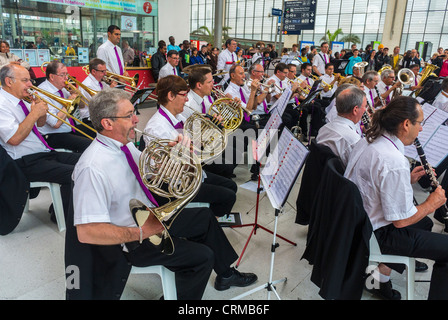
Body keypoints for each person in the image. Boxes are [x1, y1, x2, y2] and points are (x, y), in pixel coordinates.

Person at [72, 87, 257, 300]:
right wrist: (141, 233)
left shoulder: (124, 146)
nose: (136, 119)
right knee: (203, 257)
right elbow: (86, 232)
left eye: (135, 112)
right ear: (107, 123)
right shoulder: (92, 167)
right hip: (131, 240)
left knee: (204, 218)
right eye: (129, 115)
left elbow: (152, 170)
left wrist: (174, 156)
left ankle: (225, 274)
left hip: (150, 217)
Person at [344, 96, 448, 300]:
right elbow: (401, 221)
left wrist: (405, 180)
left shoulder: (369, 140)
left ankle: (378, 280)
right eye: (420, 124)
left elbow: (375, 181)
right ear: (406, 124)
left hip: (359, 221)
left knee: (424, 224)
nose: (421, 129)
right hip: (377, 233)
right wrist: (431, 203)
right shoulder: (393, 160)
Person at [144, 75, 240, 218]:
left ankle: (210, 218)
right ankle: (207, 221)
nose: (187, 99)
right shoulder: (156, 128)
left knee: (231, 186)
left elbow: (198, 141)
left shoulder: (179, 117)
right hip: (176, 183)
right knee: (228, 196)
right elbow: (158, 172)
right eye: (183, 95)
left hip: (191, 172)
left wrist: (214, 126)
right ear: (171, 96)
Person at [0, 64, 80, 221]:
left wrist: (41, 110)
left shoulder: (19, 98)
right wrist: (34, 113)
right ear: (9, 82)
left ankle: (64, 208)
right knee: (74, 173)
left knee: (86, 163)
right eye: (25, 80)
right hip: (23, 161)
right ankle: (61, 215)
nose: (30, 85)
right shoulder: (2, 104)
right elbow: (14, 139)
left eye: (29, 80)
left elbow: (40, 124)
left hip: (43, 152)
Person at [37, 61, 91, 152]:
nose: (66, 78)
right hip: (53, 135)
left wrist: (79, 95)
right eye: (62, 75)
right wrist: (69, 102)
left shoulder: (61, 88)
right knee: (89, 144)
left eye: (67, 74)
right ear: (52, 77)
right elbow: (55, 124)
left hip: (69, 128)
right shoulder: (42, 93)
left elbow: (81, 106)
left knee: (99, 131)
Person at [316, 86, 365, 167]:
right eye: (365, 106)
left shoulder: (324, 128)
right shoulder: (353, 141)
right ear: (355, 110)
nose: (365, 110)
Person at [78, 58, 116, 134]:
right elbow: (99, 103)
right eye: (102, 71)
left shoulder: (101, 82)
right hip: (90, 119)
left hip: (100, 115)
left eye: (105, 70)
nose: (105, 73)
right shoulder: (88, 84)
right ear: (93, 72)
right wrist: (111, 89)